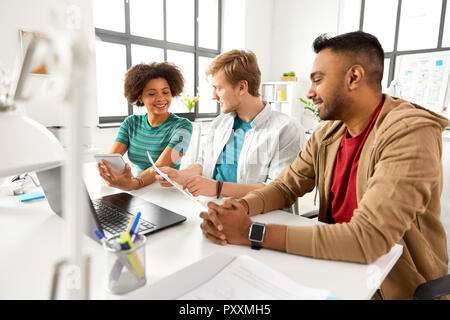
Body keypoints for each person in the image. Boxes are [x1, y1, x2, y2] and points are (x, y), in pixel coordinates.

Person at [200, 31, 450, 299]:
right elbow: (286, 186)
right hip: (334, 267)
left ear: (354, 77)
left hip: (392, 285)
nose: (309, 92)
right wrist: (238, 209)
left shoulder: (410, 133)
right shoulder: (328, 133)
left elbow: (368, 239)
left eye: (318, 80)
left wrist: (251, 232)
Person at [155, 50, 305, 200]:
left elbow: (277, 190)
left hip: (257, 217)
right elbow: (203, 165)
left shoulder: (286, 129)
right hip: (210, 208)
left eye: (218, 88)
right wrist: (179, 175)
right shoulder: (220, 123)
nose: (213, 96)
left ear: (242, 87)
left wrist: (218, 188)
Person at [97, 62, 193, 191]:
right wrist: (112, 174)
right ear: (140, 97)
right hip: (137, 186)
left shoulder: (183, 127)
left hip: (166, 189)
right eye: (152, 94)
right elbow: (111, 160)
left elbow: (160, 166)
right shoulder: (131, 123)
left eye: (165, 92)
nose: (160, 99)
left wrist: (135, 183)